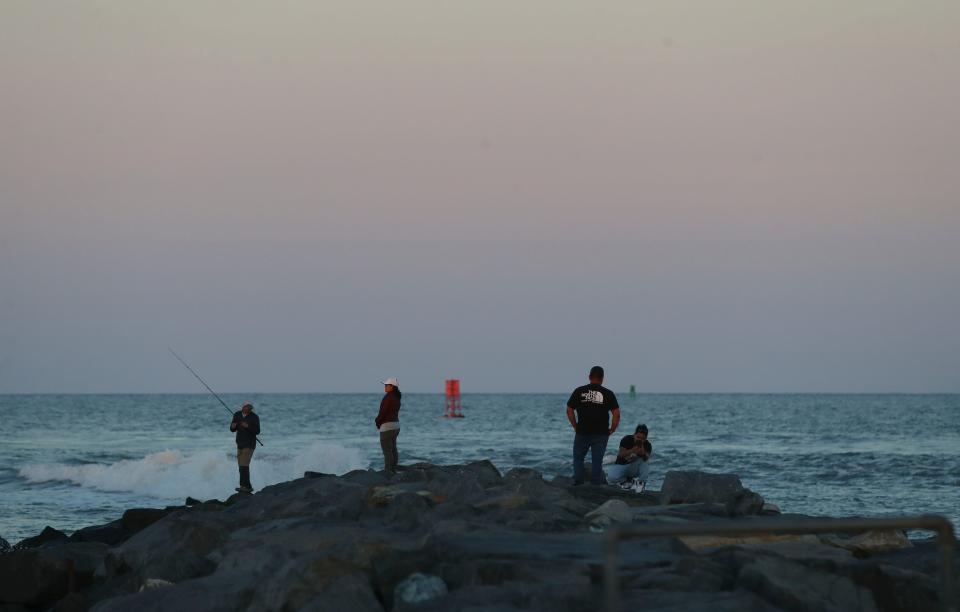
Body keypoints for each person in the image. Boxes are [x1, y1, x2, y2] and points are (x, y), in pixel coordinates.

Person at [566, 366, 620, 485]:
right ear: (602, 378)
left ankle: (578, 483)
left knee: (578, 459)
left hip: (582, 431)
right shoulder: (608, 393)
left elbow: (569, 410)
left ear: (589, 377)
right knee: (597, 461)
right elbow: (616, 414)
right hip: (601, 433)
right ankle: (595, 486)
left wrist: (575, 426)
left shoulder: (579, 391)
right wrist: (612, 429)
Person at [606, 424, 652, 490]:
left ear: (645, 439)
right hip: (622, 464)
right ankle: (627, 481)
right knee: (611, 477)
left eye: (642, 439)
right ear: (634, 435)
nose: (640, 440)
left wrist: (643, 453)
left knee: (645, 462)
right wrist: (632, 450)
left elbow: (646, 458)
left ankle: (641, 484)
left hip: (635, 467)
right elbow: (620, 454)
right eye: (638, 437)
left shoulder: (647, 444)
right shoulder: (627, 439)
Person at [229, 402, 260, 493]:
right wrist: (232, 426)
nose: (248, 409)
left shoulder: (254, 417)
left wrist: (248, 426)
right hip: (239, 443)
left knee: (244, 465)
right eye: (246, 407)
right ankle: (247, 486)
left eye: (250, 408)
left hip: (249, 444)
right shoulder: (237, 414)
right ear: (242, 407)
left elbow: (257, 431)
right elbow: (232, 429)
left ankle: (244, 486)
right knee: (241, 466)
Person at [375, 377, 401, 474]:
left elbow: (383, 412)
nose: (385, 387)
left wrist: (377, 421)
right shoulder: (397, 397)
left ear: (392, 387)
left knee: (387, 451)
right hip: (396, 425)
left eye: (387, 385)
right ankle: (394, 469)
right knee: (393, 448)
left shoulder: (388, 397)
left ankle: (388, 472)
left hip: (387, 426)